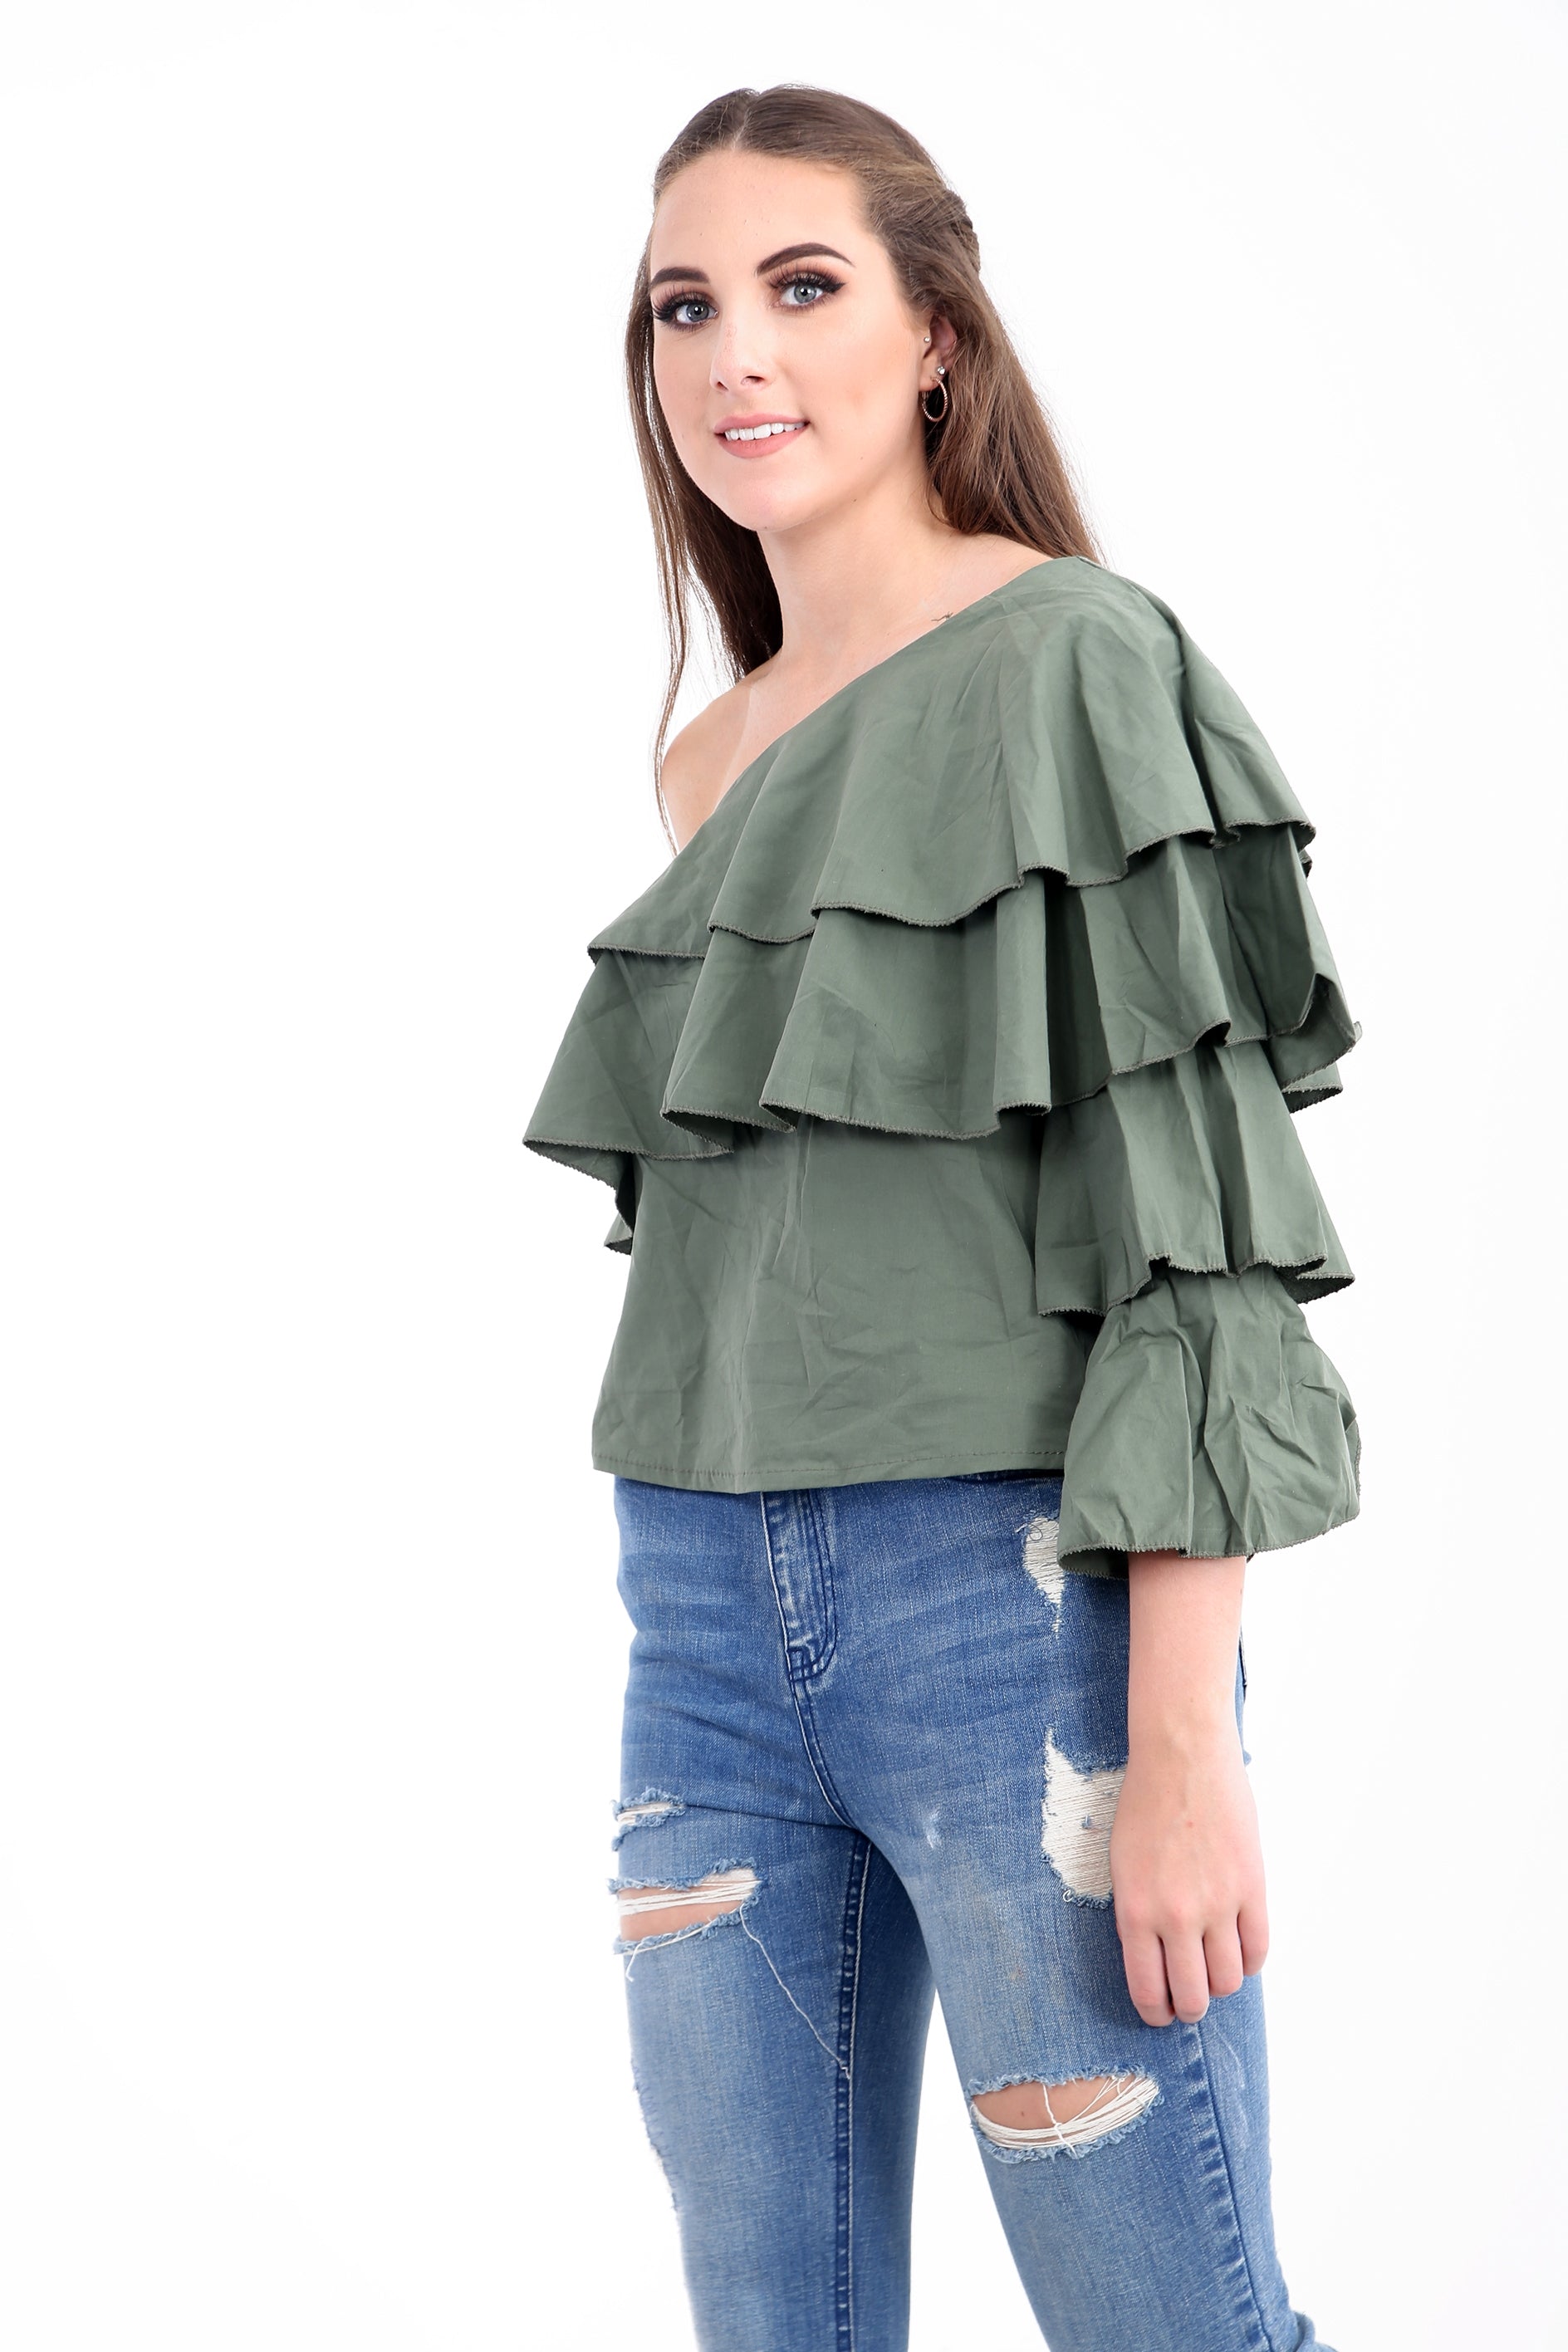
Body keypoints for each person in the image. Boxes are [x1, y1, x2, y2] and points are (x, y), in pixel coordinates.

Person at [523, 81, 1360, 2352]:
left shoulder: (1070, 656)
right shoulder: (709, 759)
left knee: (1168, 2322)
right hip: (699, 1608)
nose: (736, 354)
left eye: (804, 288)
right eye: (685, 306)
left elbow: (1194, 1228)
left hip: (1008, 1605)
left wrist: (1180, 1740)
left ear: (936, 342)